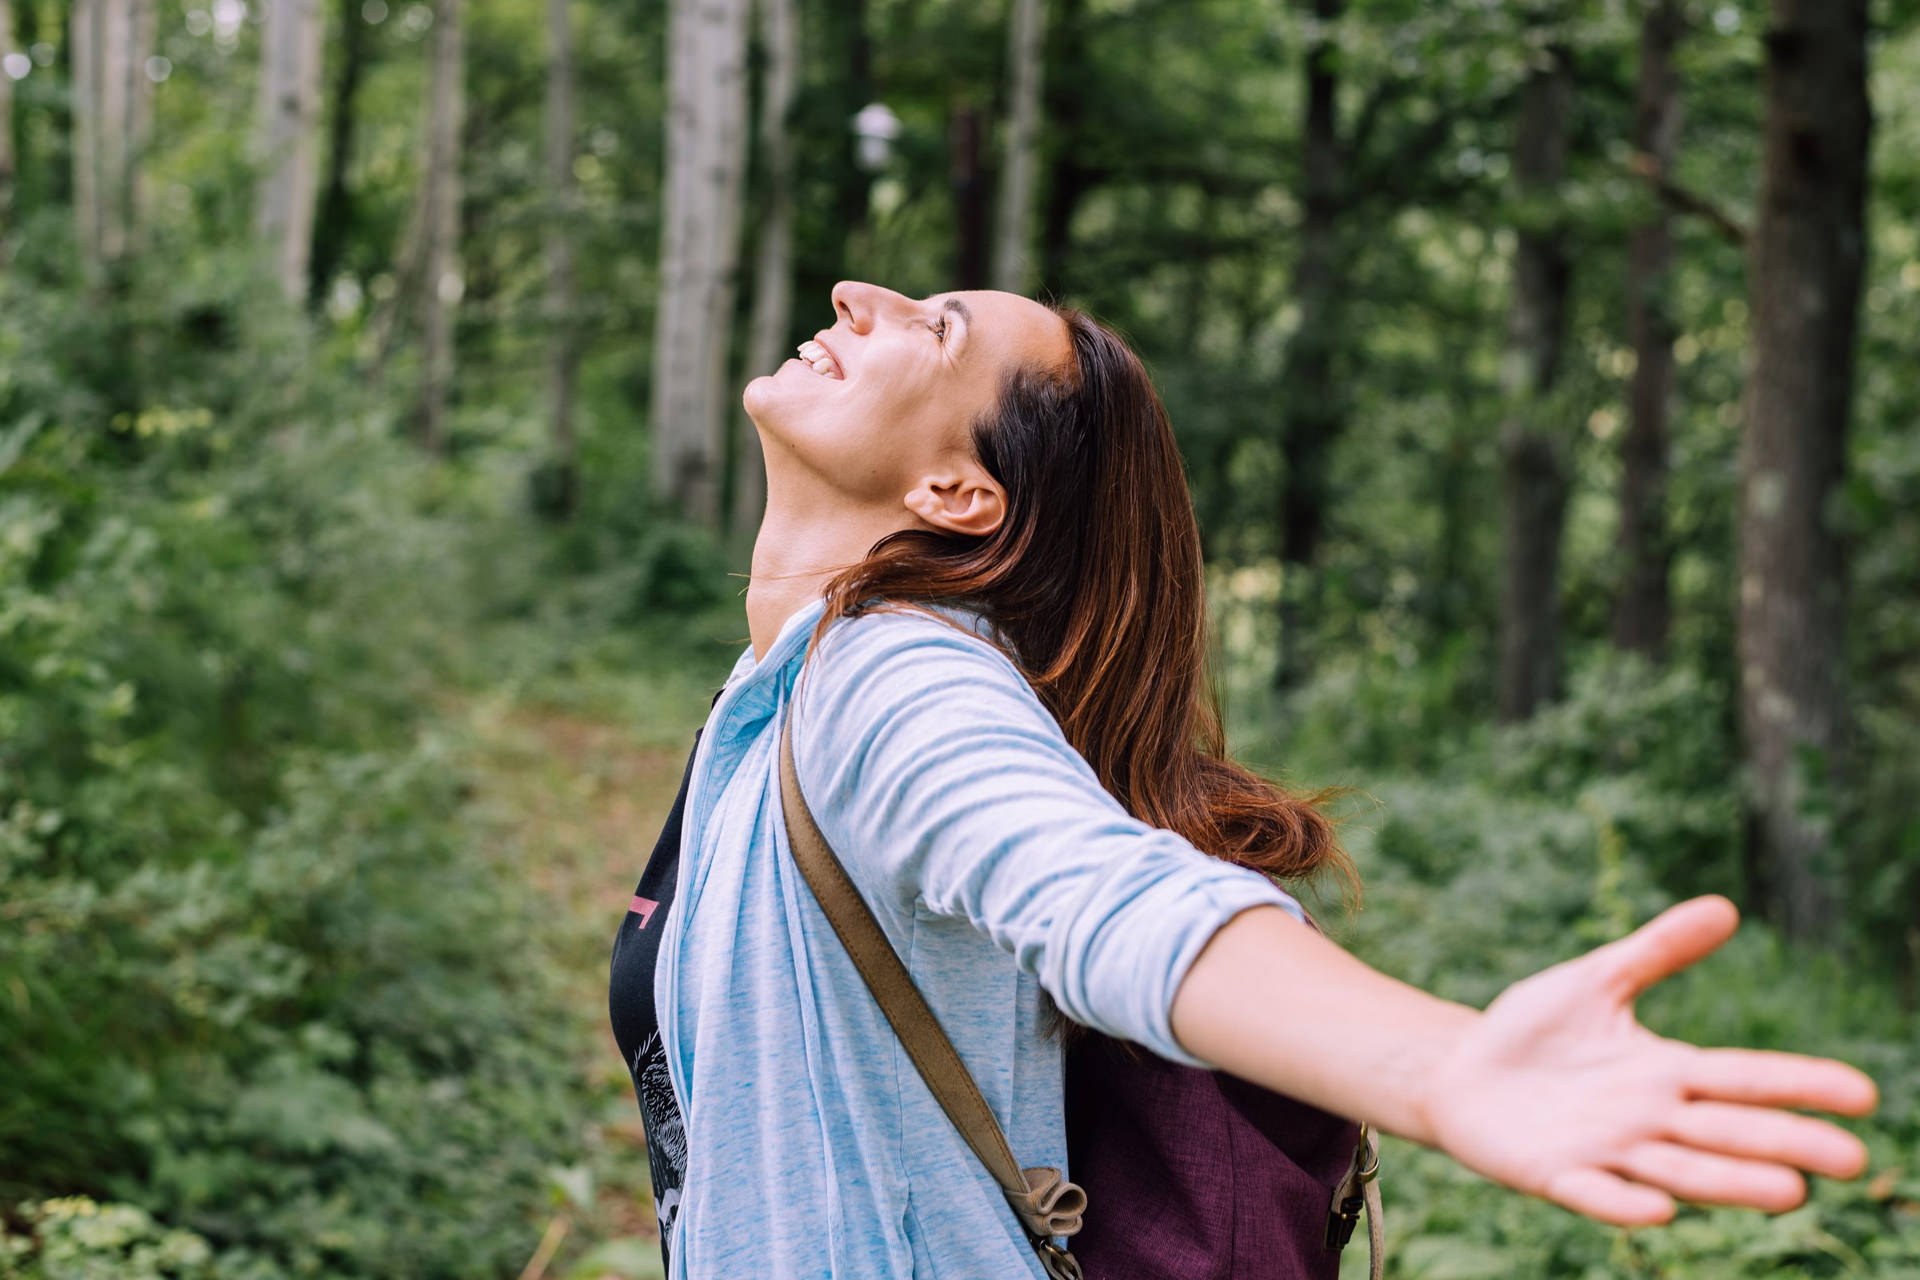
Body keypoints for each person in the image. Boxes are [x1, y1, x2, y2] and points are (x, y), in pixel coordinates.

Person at [607, 281, 1878, 1280]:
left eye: (931, 330)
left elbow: (1104, 893)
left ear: (959, 492)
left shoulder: (891, 678)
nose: (853, 294)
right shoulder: (773, 684)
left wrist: (1441, 1064)